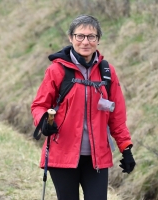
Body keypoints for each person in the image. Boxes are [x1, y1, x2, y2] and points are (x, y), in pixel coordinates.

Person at [31, 14, 135, 200]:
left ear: (98, 40)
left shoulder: (107, 73)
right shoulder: (57, 70)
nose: (85, 42)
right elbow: (39, 106)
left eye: (91, 37)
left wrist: (126, 148)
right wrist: (44, 121)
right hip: (62, 155)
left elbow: (117, 116)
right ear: (71, 38)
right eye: (80, 36)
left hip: (96, 159)